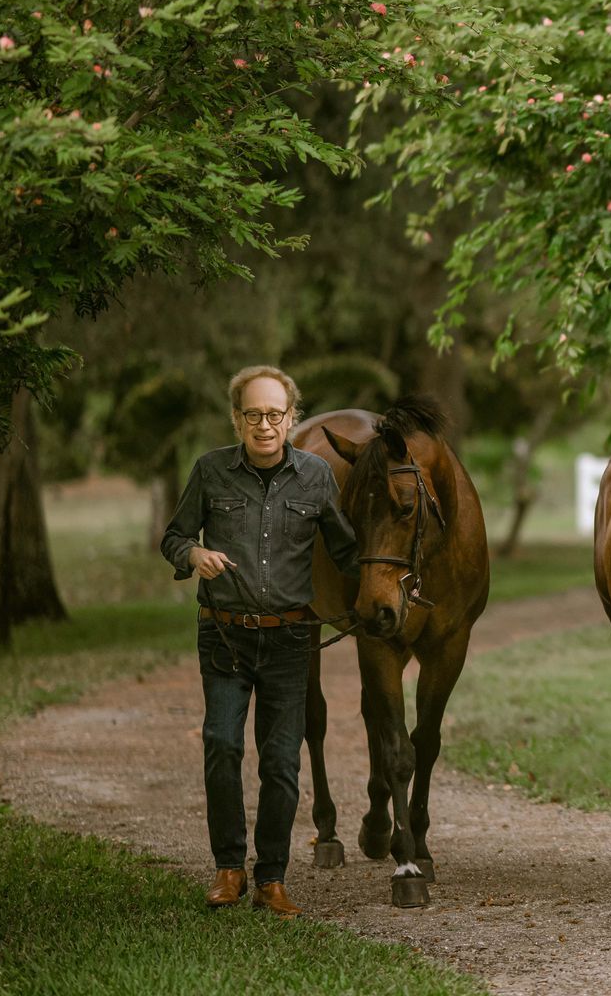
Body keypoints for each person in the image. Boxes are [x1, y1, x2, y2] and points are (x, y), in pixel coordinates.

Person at [161, 365, 356, 918]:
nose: (265, 425)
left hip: (291, 638)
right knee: (222, 745)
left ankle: (271, 878)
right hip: (224, 635)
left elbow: (345, 550)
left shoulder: (317, 477)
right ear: (237, 419)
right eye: (254, 415)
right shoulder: (210, 471)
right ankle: (229, 869)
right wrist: (193, 555)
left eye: (275, 415)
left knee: (281, 763)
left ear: (291, 418)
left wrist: (384, 586)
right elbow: (174, 536)